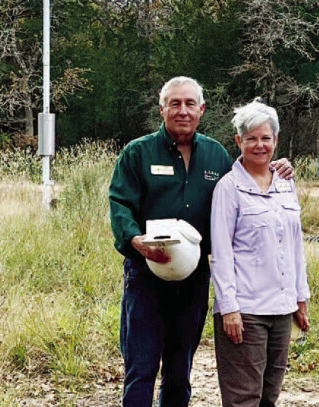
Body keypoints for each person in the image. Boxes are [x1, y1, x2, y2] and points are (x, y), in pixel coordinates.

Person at [109, 77, 293, 407]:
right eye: (175, 103)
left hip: (192, 281)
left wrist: (276, 165)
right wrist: (134, 240)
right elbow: (120, 203)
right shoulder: (137, 153)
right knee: (141, 369)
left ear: (202, 109)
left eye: (190, 104)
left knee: (180, 371)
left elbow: (245, 180)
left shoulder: (215, 156)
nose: (182, 111)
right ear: (161, 108)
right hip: (145, 278)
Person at [210, 99, 310, 407]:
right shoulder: (229, 188)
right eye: (251, 138)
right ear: (238, 141)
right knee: (244, 398)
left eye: (265, 138)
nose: (259, 145)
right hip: (246, 311)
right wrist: (229, 308)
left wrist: (300, 298)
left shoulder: (285, 184)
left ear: (276, 140)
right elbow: (221, 252)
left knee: (269, 396)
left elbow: (294, 245)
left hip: (281, 308)